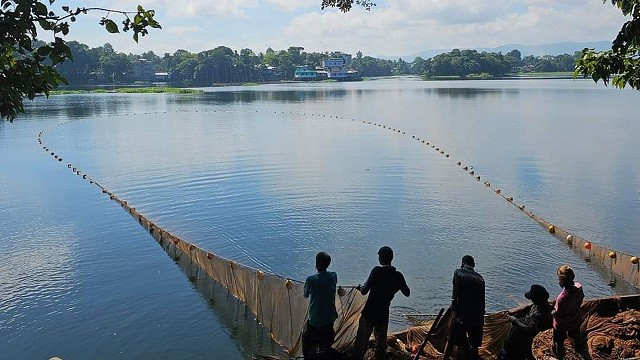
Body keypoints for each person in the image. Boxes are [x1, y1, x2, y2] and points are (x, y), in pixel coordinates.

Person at [352, 246, 410, 360]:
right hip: (383, 314)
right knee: (380, 347)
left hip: (369, 312)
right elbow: (407, 293)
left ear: (380, 259)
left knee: (361, 344)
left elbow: (364, 291)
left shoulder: (376, 271)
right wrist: (395, 287)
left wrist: (359, 287)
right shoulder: (398, 276)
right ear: (391, 258)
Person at [444, 255, 485, 360]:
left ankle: (445, 357)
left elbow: (455, 294)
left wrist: (454, 308)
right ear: (474, 265)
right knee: (474, 346)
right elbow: (482, 301)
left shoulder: (458, 272)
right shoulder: (480, 278)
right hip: (478, 318)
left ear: (462, 264)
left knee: (451, 339)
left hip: (463, 317)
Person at [499, 284, 553, 360]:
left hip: (526, 338)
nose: (531, 300)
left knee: (509, 351)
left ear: (537, 299)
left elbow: (528, 330)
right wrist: (517, 310)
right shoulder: (543, 305)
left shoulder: (540, 314)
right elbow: (530, 305)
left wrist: (514, 320)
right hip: (525, 327)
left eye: (532, 298)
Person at [302, 252, 339, 359]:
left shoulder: (311, 280)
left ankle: (307, 356)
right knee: (326, 338)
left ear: (316, 263)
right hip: (330, 318)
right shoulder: (333, 276)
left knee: (305, 336)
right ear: (328, 264)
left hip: (315, 320)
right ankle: (326, 351)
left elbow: (305, 294)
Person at [552, 265, 586, 360]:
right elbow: (582, 297)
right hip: (575, 319)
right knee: (576, 335)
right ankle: (580, 349)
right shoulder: (579, 287)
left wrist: (552, 312)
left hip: (562, 324)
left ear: (561, 281)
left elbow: (558, 313)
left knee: (558, 341)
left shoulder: (561, 298)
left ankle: (559, 357)